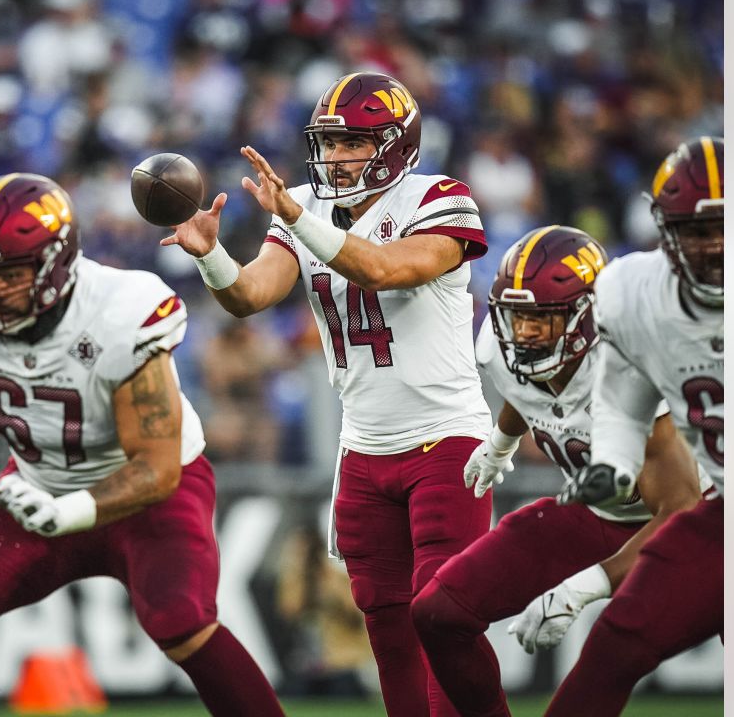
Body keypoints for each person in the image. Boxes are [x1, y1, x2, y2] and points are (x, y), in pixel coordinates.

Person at [0, 173, 284, 716]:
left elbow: (156, 469)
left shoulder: (119, 309)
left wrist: (70, 510)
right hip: (37, 486)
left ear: (55, 263)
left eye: (10, 273)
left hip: (152, 496)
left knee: (180, 618)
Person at [164, 71, 494, 715]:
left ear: (396, 146)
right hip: (363, 447)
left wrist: (296, 216)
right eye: (329, 144)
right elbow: (251, 295)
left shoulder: (440, 197)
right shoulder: (309, 207)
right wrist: (211, 258)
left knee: (443, 618)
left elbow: (386, 268)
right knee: (387, 631)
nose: (336, 158)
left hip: (447, 439)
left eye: (353, 144)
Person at [407, 226, 706, 716]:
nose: (522, 333)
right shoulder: (499, 348)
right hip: (598, 511)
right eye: (516, 317)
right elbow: (526, 391)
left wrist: (580, 589)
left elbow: (680, 510)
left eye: (541, 320)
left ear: (590, 317)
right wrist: (500, 443)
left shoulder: (632, 365)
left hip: (699, 526)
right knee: (438, 613)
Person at [543, 137, 725, 716]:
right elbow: (625, 404)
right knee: (616, 646)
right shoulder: (631, 293)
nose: (716, 244)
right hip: (729, 509)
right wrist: (615, 467)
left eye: (728, 226)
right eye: (698, 231)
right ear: (665, 230)